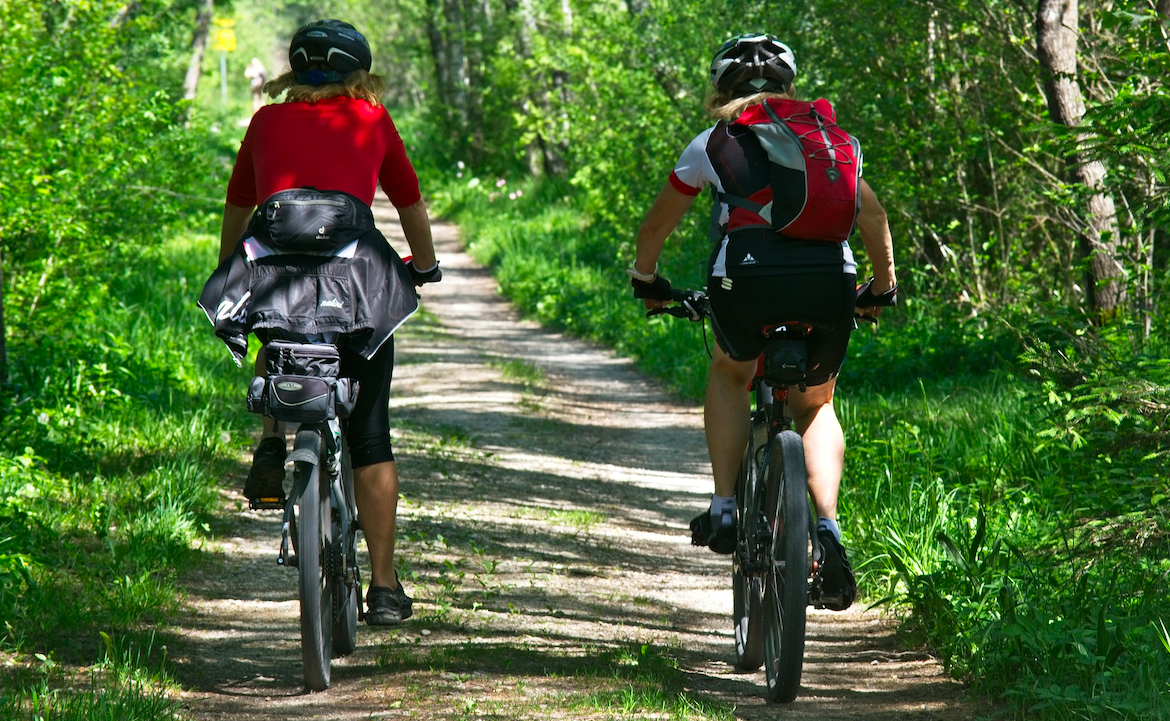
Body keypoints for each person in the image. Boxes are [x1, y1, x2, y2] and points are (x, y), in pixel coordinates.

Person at [627, 33, 897, 611]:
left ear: (720, 89)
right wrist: (880, 290)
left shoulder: (712, 143)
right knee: (816, 405)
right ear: (787, 86)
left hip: (746, 283)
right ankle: (828, 528)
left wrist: (647, 283)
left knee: (730, 371)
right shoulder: (829, 140)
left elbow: (655, 229)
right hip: (830, 283)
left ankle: (725, 505)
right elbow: (871, 215)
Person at [216, 20, 440, 625]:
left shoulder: (265, 122)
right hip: (356, 283)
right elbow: (408, 201)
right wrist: (425, 266)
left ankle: (270, 439)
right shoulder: (370, 119)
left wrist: (228, 270)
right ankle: (386, 588)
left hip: (275, 274)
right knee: (370, 434)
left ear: (294, 71)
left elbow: (240, 207)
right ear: (357, 74)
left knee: (276, 327)